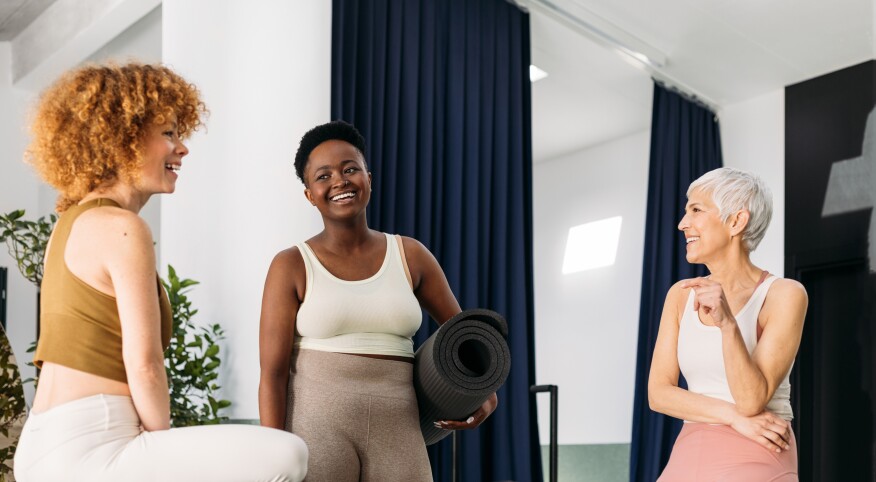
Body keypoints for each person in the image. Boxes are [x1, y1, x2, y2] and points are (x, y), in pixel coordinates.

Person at [13, 63, 308, 482]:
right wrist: (163, 444)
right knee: (287, 453)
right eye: (168, 133)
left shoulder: (70, 224)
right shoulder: (123, 228)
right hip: (94, 444)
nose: (182, 148)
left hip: (46, 443)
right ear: (124, 140)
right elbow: (145, 364)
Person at [258, 120, 498, 481]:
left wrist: (485, 392)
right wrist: (274, 456)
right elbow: (273, 374)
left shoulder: (411, 255)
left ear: (369, 178)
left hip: (398, 424)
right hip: (316, 425)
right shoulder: (291, 264)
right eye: (323, 176)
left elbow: (464, 337)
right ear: (309, 194)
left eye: (350, 169)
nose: (339, 181)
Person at [648, 167, 808, 481]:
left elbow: (751, 400)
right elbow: (658, 394)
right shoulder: (680, 295)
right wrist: (732, 416)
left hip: (760, 445)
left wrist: (728, 325)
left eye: (695, 210)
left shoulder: (784, 294)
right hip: (691, 448)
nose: (682, 224)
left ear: (736, 221)